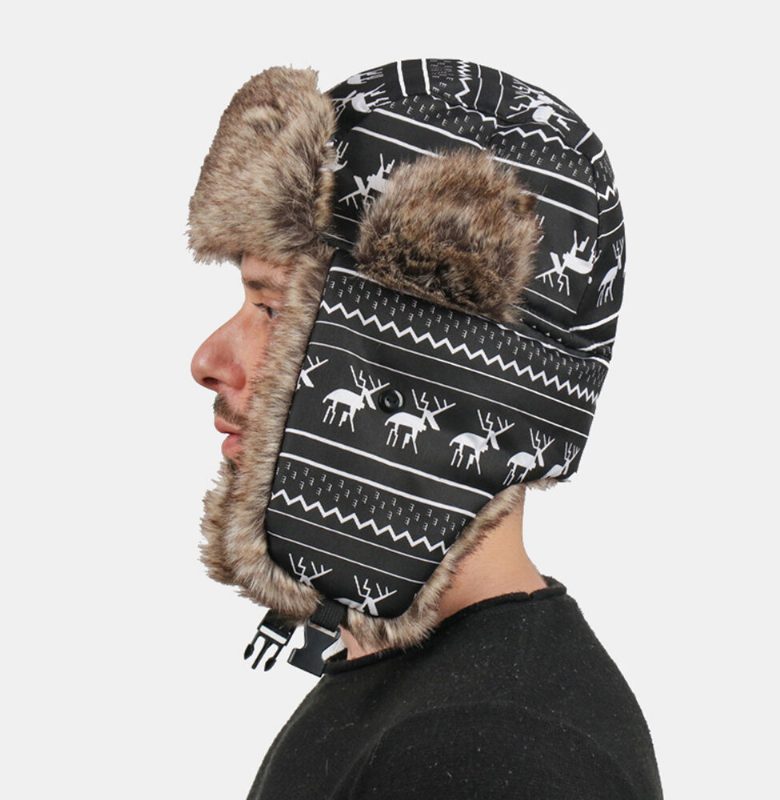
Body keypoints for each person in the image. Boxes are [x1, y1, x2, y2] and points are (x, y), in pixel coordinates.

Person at [188, 59, 664, 798]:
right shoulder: (439, 700)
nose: (208, 360)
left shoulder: (493, 749)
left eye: (274, 309)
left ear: (428, 366)